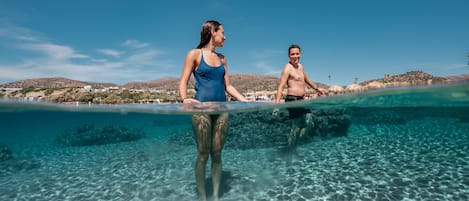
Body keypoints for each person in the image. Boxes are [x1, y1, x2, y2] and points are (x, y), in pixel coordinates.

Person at [178, 20, 249, 201]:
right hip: (201, 110)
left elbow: (229, 87)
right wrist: (185, 99)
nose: (225, 36)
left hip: (222, 110)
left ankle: (216, 195)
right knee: (203, 154)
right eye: (222, 32)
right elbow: (183, 81)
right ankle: (202, 197)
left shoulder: (222, 58)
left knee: (217, 154)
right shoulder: (194, 54)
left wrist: (246, 101)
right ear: (212, 32)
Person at [274, 44, 324, 160]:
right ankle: (290, 153)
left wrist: (317, 89)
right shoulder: (287, 68)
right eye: (292, 54)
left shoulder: (301, 67)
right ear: (288, 55)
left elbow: (307, 80)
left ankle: (292, 147)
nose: (295, 56)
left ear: (300, 54)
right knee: (295, 127)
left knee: (310, 123)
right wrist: (276, 105)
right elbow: (281, 86)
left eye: (297, 53)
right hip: (292, 99)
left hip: (302, 100)